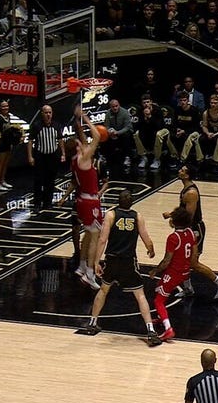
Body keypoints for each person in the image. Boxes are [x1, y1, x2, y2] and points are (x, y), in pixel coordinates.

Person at [79, 190, 161, 346]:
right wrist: (151, 249)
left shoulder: (111, 215)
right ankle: (151, 331)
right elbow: (146, 237)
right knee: (140, 295)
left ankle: (92, 323)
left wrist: (96, 262)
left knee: (103, 290)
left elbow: (102, 240)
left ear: (118, 201)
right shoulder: (137, 217)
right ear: (132, 202)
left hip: (112, 260)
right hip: (128, 261)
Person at [163, 164, 218, 300]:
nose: (179, 171)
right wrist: (172, 215)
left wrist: (174, 221)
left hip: (194, 230)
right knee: (181, 260)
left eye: (182, 170)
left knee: (193, 263)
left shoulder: (191, 193)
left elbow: (189, 216)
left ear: (187, 175)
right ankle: (188, 289)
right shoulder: (186, 189)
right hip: (186, 228)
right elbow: (183, 209)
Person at [148, 207, 198, 342]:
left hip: (174, 272)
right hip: (185, 271)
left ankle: (168, 328)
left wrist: (155, 271)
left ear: (174, 222)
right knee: (159, 287)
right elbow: (194, 255)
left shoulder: (173, 238)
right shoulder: (190, 233)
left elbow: (166, 261)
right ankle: (161, 317)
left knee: (158, 300)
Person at [72, 106, 104, 290]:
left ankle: (82, 266)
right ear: (78, 148)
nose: (83, 142)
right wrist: (85, 117)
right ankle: (90, 274)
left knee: (88, 233)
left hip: (82, 200)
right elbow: (97, 137)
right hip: (90, 202)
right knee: (95, 237)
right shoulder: (83, 159)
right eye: (79, 143)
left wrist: (77, 122)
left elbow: (84, 138)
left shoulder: (76, 160)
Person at [26, 105, 65, 213]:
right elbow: (30, 141)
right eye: (46, 112)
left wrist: (63, 154)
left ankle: (48, 203)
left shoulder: (56, 125)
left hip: (53, 156)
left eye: (50, 112)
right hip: (40, 156)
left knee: (50, 181)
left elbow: (60, 140)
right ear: (42, 114)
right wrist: (30, 156)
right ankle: (37, 204)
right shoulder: (36, 126)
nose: (48, 115)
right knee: (38, 181)